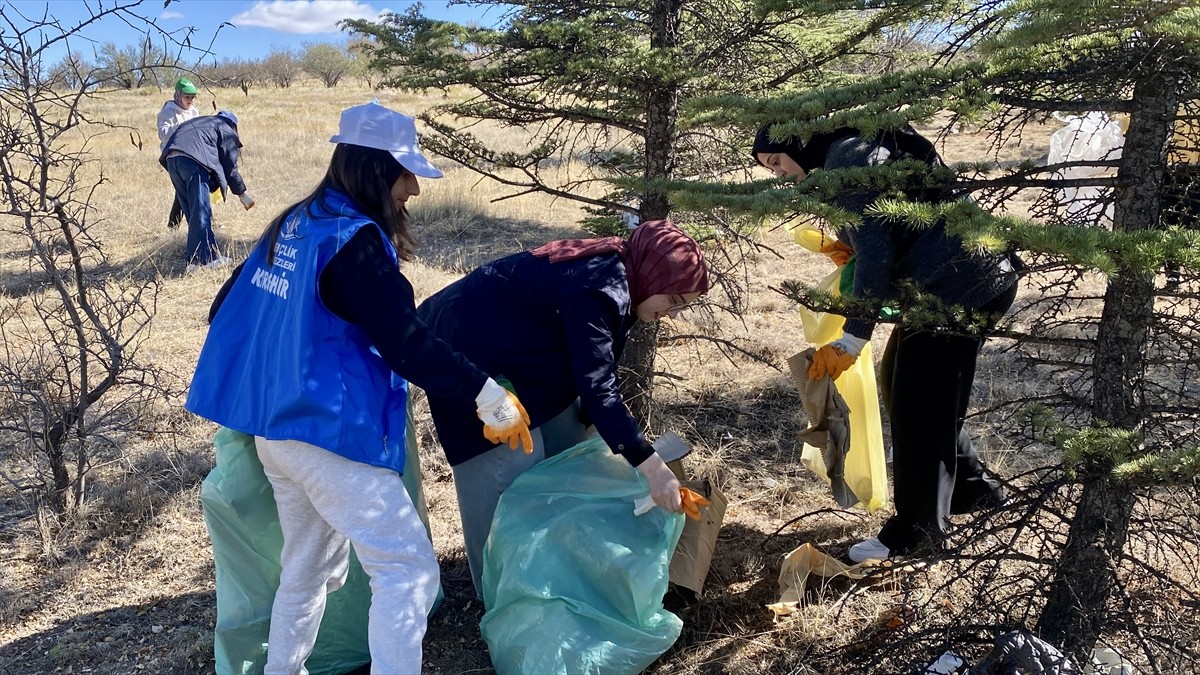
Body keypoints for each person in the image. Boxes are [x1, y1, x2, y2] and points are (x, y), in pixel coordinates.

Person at [186, 101, 534, 674]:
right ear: (378, 168)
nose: (412, 192)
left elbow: (228, 305)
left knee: (304, 572)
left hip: (279, 435)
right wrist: (486, 393)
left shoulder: (298, 221)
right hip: (330, 438)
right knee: (408, 572)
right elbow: (404, 341)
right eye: (406, 175)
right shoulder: (355, 242)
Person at [752, 123, 1020, 563]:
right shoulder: (845, 153)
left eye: (777, 161)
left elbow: (878, 253)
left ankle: (916, 534)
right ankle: (973, 491)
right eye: (769, 168)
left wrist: (853, 338)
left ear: (796, 146)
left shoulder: (848, 159)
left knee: (919, 405)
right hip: (967, 279)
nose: (778, 174)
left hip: (961, 285)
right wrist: (849, 247)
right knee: (905, 382)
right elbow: (885, 227)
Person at [416, 219, 711, 597]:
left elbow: (595, 366)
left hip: (516, 357)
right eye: (673, 300)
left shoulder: (626, 276)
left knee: (573, 446)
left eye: (681, 306)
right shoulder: (598, 284)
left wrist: (595, 428)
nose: (672, 314)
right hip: (462, 353)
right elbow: (598, 388)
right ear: (654, 275)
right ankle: (502, 595)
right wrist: (654, 469)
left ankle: (554, 566)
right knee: (511, 467)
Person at [160, 110, 254, 271]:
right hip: (193, 162)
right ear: (233, 124)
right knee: (201, 211)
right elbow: (230, 167)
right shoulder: (224, 128)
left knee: (193, 213)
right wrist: (242, 194)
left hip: (172, 161)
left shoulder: (202, 122)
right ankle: (203, 259)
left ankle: (204, 257)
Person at [157, 77, 201, 230]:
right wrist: (183, 126)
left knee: (184, 190)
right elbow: (163, 134)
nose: (190, 100)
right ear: (178, 95)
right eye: (187, 96)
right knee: (185, 189)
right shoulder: (168, 111)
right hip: (173, 157)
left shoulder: (194, 111)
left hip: (192, 156)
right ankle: (193, 226)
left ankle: (173, 225)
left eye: (192, 96)